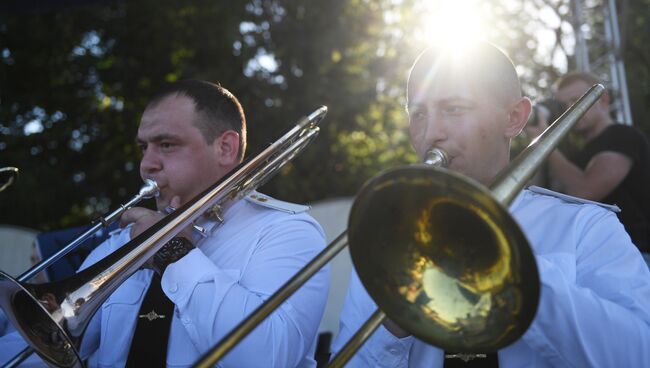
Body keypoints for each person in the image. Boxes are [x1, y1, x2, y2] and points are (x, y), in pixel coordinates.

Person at [331, 42, 650, 367]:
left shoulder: (585, 225)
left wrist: (516, 273)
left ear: (513, 118)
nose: (431, 133)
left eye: (454, 108)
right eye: (418, 114)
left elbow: (639, 354)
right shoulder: (389, 239)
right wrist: (390, 327)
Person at [0, 80, 330, 367]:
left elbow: (269, 358)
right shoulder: (123, 241)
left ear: (226, 148)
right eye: (144, 147)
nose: (146, 165)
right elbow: (37, 347)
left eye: (167, 145)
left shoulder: (287, 233)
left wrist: (175, 253)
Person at [527, 72, 650, 263]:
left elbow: (584, 191)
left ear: (604, 100)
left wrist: (545, 141)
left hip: (636, 259)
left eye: (577, 101)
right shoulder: (572, 156)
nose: (570, 109)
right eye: (564, 105)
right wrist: (538, 140)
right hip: (592, 260)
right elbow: (537, 196)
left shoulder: (624, 136)